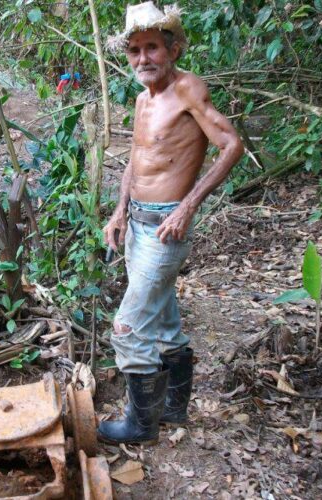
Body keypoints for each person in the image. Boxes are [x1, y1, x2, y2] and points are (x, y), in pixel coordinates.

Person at [98, 2, 244, 445]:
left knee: (127, 327)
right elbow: (137, 159)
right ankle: (174, 409)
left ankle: (140, 427)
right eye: (135, 50)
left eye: (152, 49)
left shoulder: (187, 90)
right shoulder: (143, 99)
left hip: (166, 227)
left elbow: (231, 144)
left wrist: (188, 206)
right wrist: (119, 210)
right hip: (137, 224)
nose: (143, 58)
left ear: (174, 48)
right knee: (162, 324)